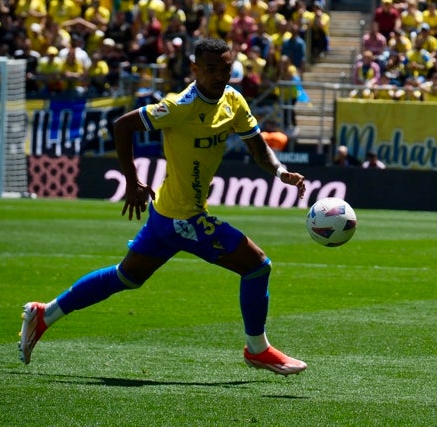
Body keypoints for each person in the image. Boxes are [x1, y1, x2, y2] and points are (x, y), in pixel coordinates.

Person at [18, 38, 309, 376]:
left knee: (126, 277)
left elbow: (257, 146)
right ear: (195, 70)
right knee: (257, 266)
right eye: (211, 70)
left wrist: (279, 171)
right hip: (183, 218)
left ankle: (45, 314)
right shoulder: (179, 106)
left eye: (225, 69)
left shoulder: (234, 101)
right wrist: (132, 181)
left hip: (164, 215)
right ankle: (257, 349)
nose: (219, 76)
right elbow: (122, 125)